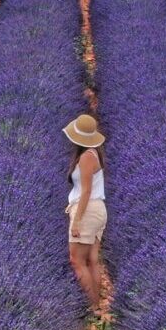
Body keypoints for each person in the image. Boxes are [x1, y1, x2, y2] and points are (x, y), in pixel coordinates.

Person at [63, 113, 107, 317]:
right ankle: (96, 306)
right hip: (97, 210)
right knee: (91, 259)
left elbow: (86, 191)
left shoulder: (86, 158)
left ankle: (93, 308)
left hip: (87, 211)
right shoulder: (93, 153)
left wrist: (77, 221)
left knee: (76, 260)